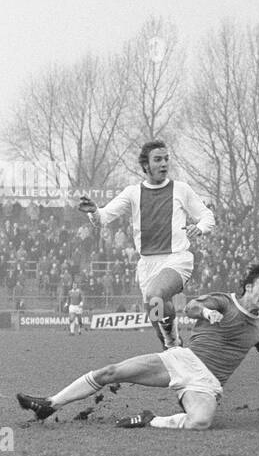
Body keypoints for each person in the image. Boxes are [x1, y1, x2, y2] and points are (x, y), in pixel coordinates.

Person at [16, 264, 259, 430]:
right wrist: (207, 313)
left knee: (200, 423)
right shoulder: (224, 300)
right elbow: (193, 306)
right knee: (111, 372)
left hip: (208, 384)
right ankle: (49, 404)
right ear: (248, 287)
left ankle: (149, 419)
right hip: (182, 361)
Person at [78, 140, 215, 350]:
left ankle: (172, 343)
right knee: (156, 310)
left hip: (176, 259)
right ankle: (174, 350)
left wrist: (201, 228)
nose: (163, 164)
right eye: (158, 159)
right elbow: (102, 219)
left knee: (156, 295)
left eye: (166, 159)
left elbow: (207, 216)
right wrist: (93, 210)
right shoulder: (133, 193)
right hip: (147, 265)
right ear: (146, 166)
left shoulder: (181, 189)